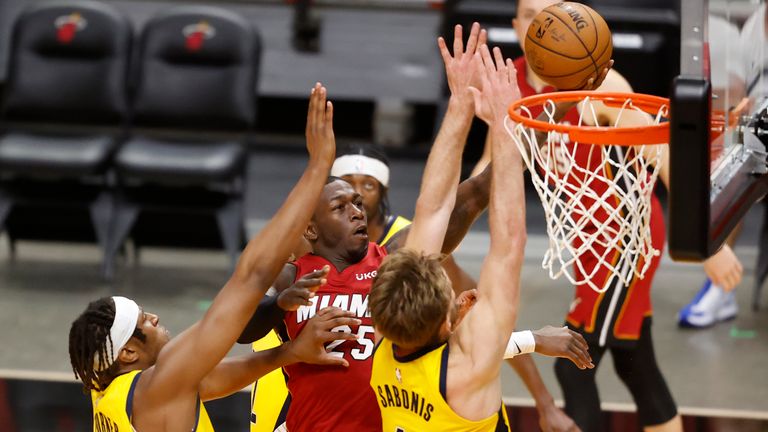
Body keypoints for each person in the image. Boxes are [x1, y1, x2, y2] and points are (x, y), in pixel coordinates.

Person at [238, 23, 592, 432]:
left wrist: (551, 112)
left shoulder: (395, 267)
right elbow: (241, 329)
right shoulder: (293, 273)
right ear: (311, 230)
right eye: (341, 204)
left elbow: (463, 197)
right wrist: (279, 305)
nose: (357, 209)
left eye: (361, 198)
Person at [468, 1, 743, 431]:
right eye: (530, 13)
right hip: (584, 240)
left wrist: (706, 238)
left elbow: (662, 152)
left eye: (550, 12)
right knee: (636, 363)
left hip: (627, 241)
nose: (541, 22)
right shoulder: (512, 85)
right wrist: (448, 216)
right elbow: (487, 166)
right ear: (517, 25)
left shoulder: (602, 81)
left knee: (573, 363)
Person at [68, 84, 361, 431]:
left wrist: (289, 353)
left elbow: (211, 382)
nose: (155, 317)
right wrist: (317, 168)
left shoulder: (108, 395)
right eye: (144, 320)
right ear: (128, 353)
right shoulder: (156, 385)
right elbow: (249, 279)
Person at [334, 141, 585, 432]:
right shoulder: (461, 368)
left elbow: (441, 206)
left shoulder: (382, 332)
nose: (356, 198)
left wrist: (544, 397)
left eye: (367, 185)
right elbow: (498, 250)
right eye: (346, 186)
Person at [368, 40, 525, 431]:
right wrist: (507, 128)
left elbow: (433, 209)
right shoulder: (466, 368)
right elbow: (507, 246)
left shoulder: (378, 340)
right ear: (447, 323)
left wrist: (460, 102)